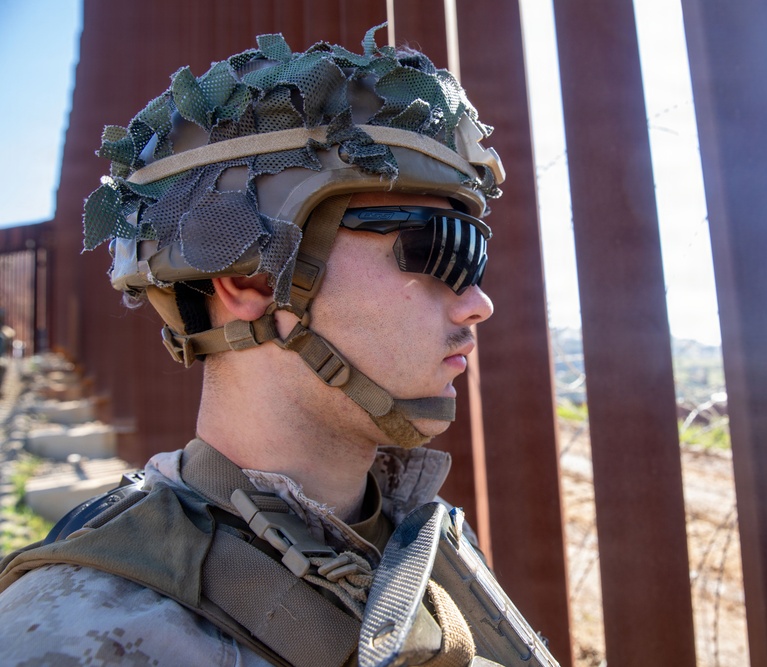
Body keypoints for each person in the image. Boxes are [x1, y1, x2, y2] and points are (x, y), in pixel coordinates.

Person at [0, 26, 556, 667]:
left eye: (476, 257)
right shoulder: (79, 634)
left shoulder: (419, 545)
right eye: (438, 250)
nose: (477, 303)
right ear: (251, 278)